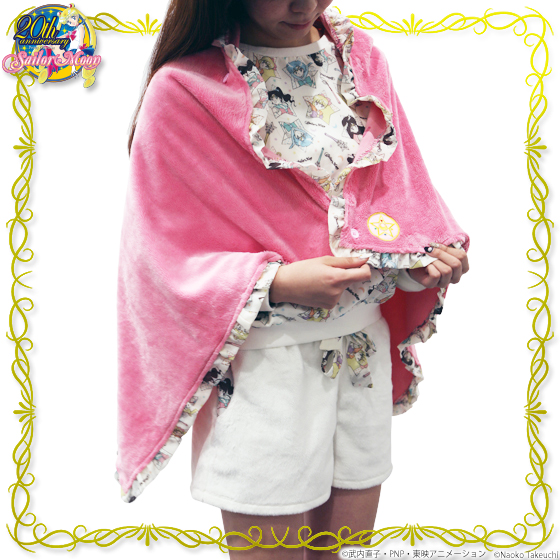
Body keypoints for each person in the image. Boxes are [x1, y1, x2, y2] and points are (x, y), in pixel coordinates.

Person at [115, 1, 470, 558]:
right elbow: (156, 255)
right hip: (266, 367)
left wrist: (418, 262)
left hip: (361, 357)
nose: (304, 4)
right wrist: (277, 281)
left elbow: (396, 195)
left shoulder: (360, 59)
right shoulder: (185, 90)